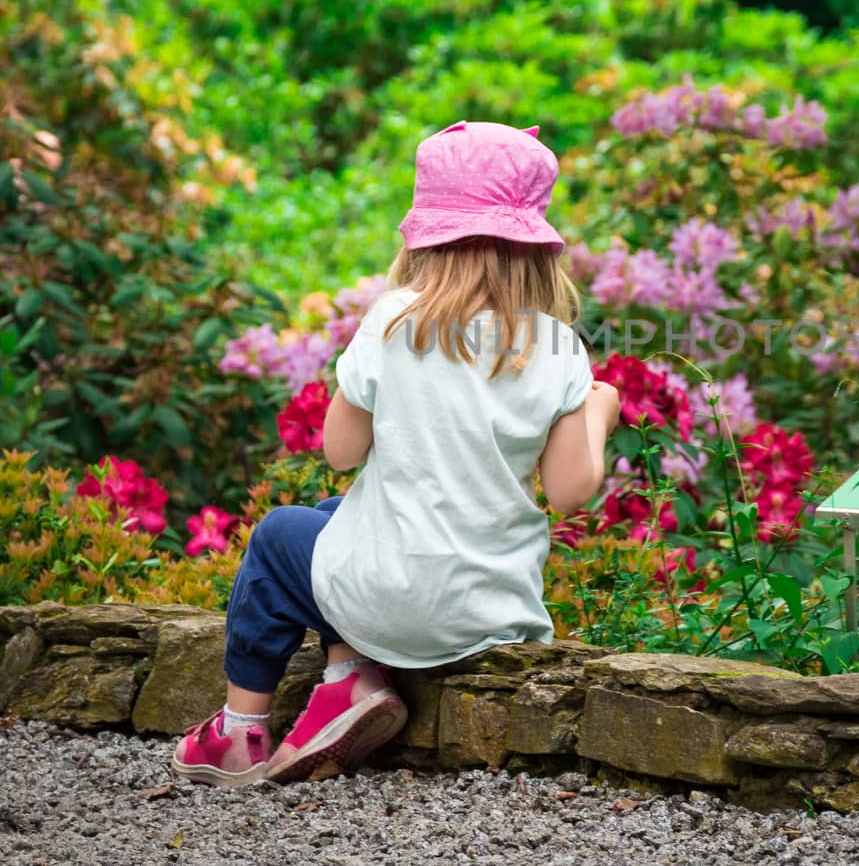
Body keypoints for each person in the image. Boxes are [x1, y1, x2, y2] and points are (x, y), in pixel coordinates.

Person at [171, 121, 622, 787]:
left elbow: (341, 448)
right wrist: (599, 405)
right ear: (533, 245)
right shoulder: (558, 345)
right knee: (337, 515)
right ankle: (346, 677)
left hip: (397, 601)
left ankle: (240, 733)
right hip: (496, 614)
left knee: (279, 536)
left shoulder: (394, 318)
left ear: (428, 233)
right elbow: (568, 491)